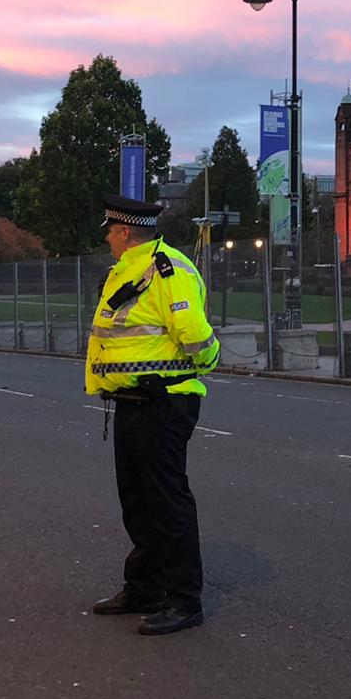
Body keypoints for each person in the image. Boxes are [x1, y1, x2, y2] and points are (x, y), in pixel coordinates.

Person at [86, 195, 220, 637]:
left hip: (163, 402)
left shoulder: (169, 269)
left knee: (167, 503)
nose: (106, 236)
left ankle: (183, 600)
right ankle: (143, 588)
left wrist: (205, 363)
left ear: (126, 232)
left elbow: (195, 335)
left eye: (110, 229)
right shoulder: (127, 269)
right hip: (130, 403)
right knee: (139, 503)